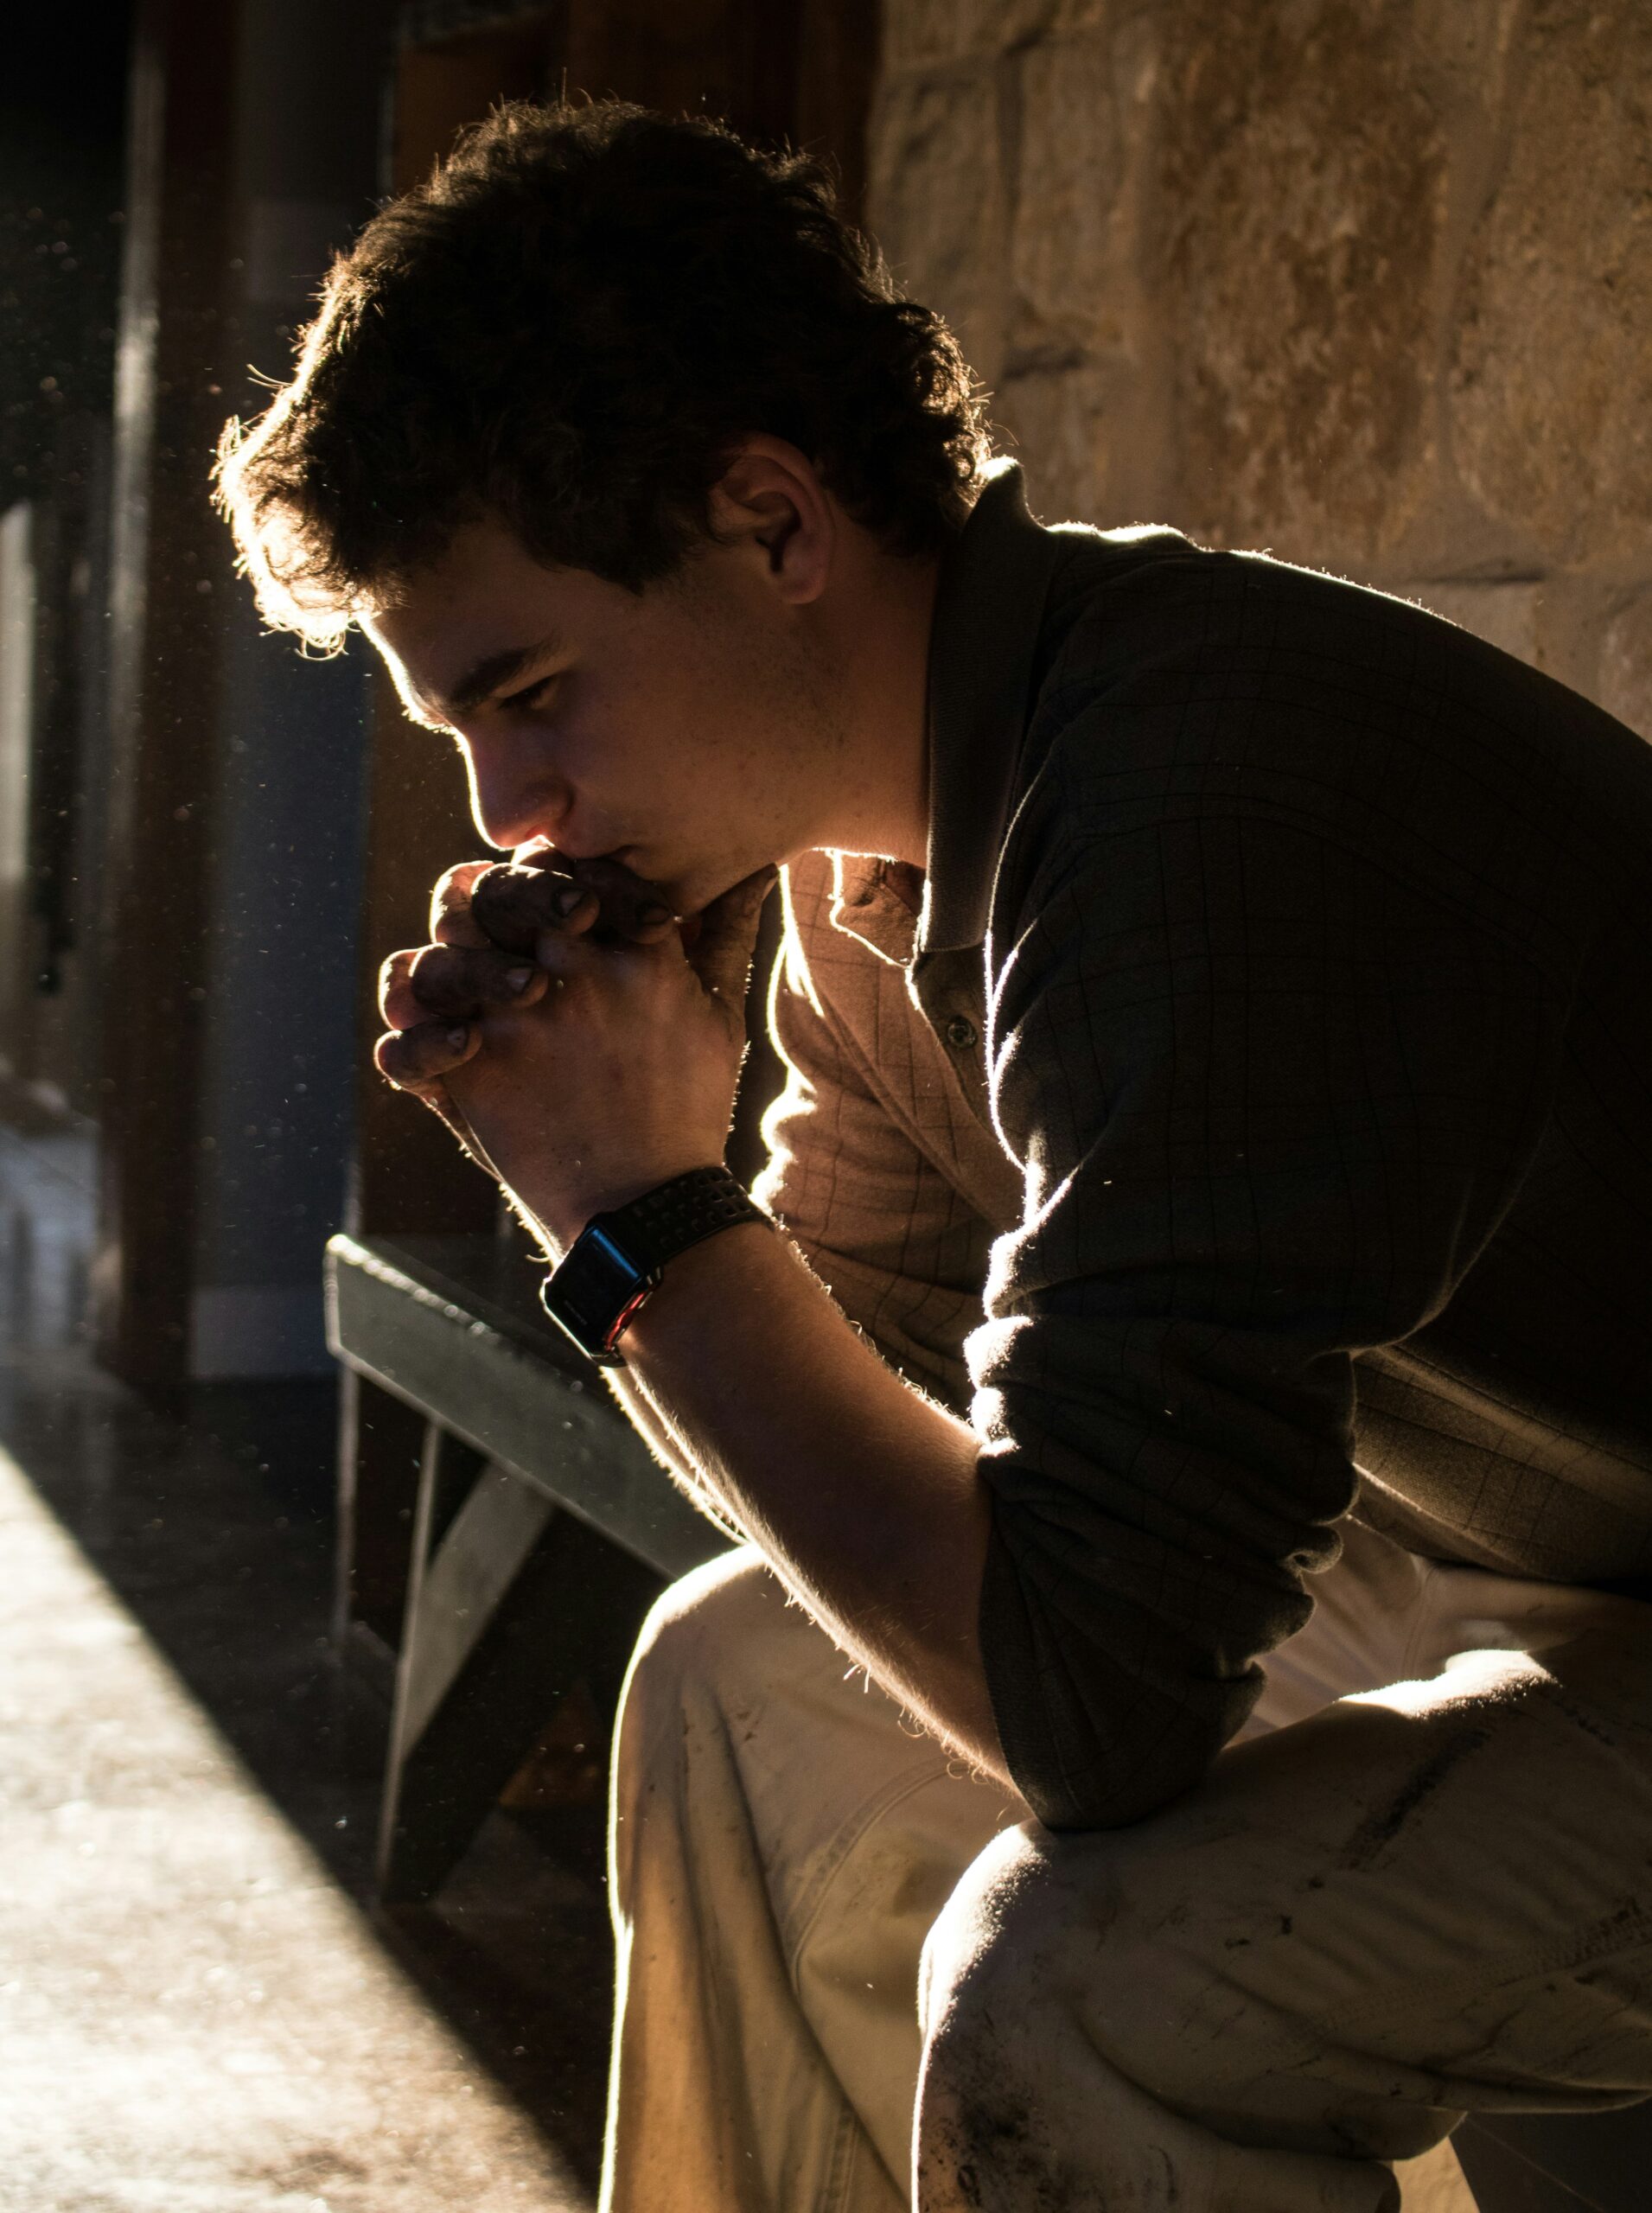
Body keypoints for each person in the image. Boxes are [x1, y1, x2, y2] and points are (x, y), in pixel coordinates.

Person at [216, 99, 1652, 2213]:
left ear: (771, 521)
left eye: (531, 691)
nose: (506, 810)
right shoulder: (861, 879)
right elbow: (877, 1469)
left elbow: (1086, 1703)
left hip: (1607, 1597)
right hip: (1508, 1558)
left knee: (1079, 1989)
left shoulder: (1187, 812)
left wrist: (637, 1211)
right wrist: (625, 1185)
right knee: (733, 1680)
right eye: (464, 736)